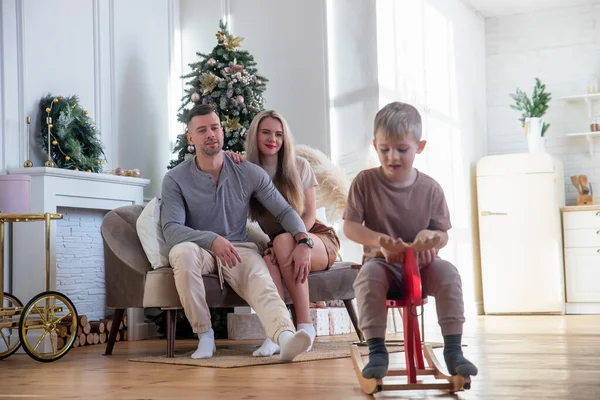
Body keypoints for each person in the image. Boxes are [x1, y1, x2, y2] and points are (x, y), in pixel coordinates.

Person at [160, 104, 314, 361]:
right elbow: (171, 230)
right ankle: (205, 336)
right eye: (202, 130)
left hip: (238, 249)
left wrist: (303, 238)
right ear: (191, 138)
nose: (210, 134)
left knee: (261, 280)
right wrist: (211, 240)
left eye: (215, 127)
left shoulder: (248, 171)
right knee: (182, 253)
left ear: (222, 131)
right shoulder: (175, 179)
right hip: (199, 248)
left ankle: (285, 338)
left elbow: (285, 211)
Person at [343, 101, 478, 379]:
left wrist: (432, 240)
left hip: (422, 267)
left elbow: (443, 234)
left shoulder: (430, 188)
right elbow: (351, 227)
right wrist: (381, 242)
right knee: (367, 278)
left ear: (420, 146)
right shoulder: (364, 182)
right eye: (384, 149)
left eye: (402, 149)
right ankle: (377, 350)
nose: (392, 156)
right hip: (382, 266)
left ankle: (453, 349)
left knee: (449, 273)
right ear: (375, 145)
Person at [225, 110, 341, 356]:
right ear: (255, 136)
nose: (273, 139)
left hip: (315, 236)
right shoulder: (247, 171)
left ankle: (305, 326)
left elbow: (309, 214)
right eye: (266, 132)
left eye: (278, 134)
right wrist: (230, 162)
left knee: (283, 241)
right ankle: (278, 333)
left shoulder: (299, 166)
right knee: (270, 258)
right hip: (279, 242)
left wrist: (302, 242)